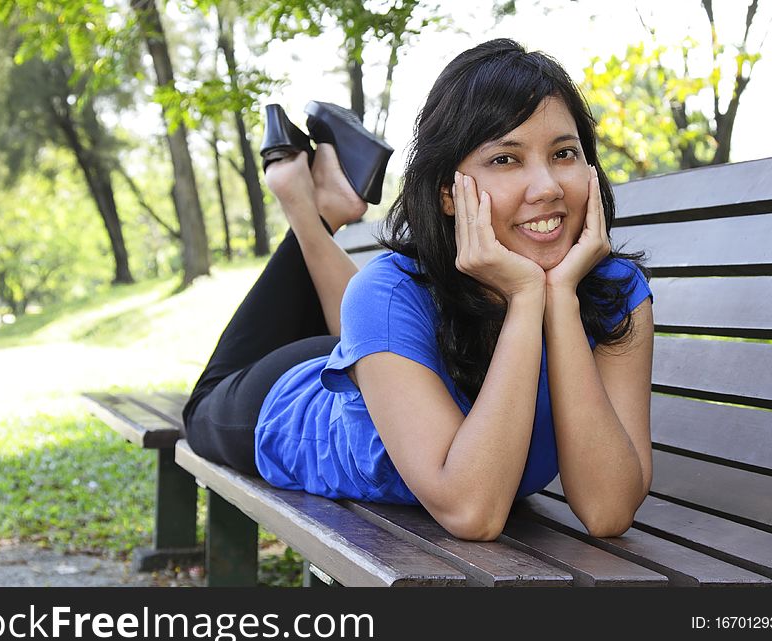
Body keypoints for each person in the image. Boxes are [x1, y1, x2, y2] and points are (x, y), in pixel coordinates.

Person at [183, 38, 654, 542]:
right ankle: (305, 205)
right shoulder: (386, 293)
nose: (547, 187)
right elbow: (474, 511)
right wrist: (525, 298)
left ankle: (320, 205)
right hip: (282, 405)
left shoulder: (614, 293)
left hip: (388, 359)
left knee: (382, 306)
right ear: (448, 193)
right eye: (505, 159)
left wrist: (559, 298)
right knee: (203, 405)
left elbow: (608, 510)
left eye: (563, 153)